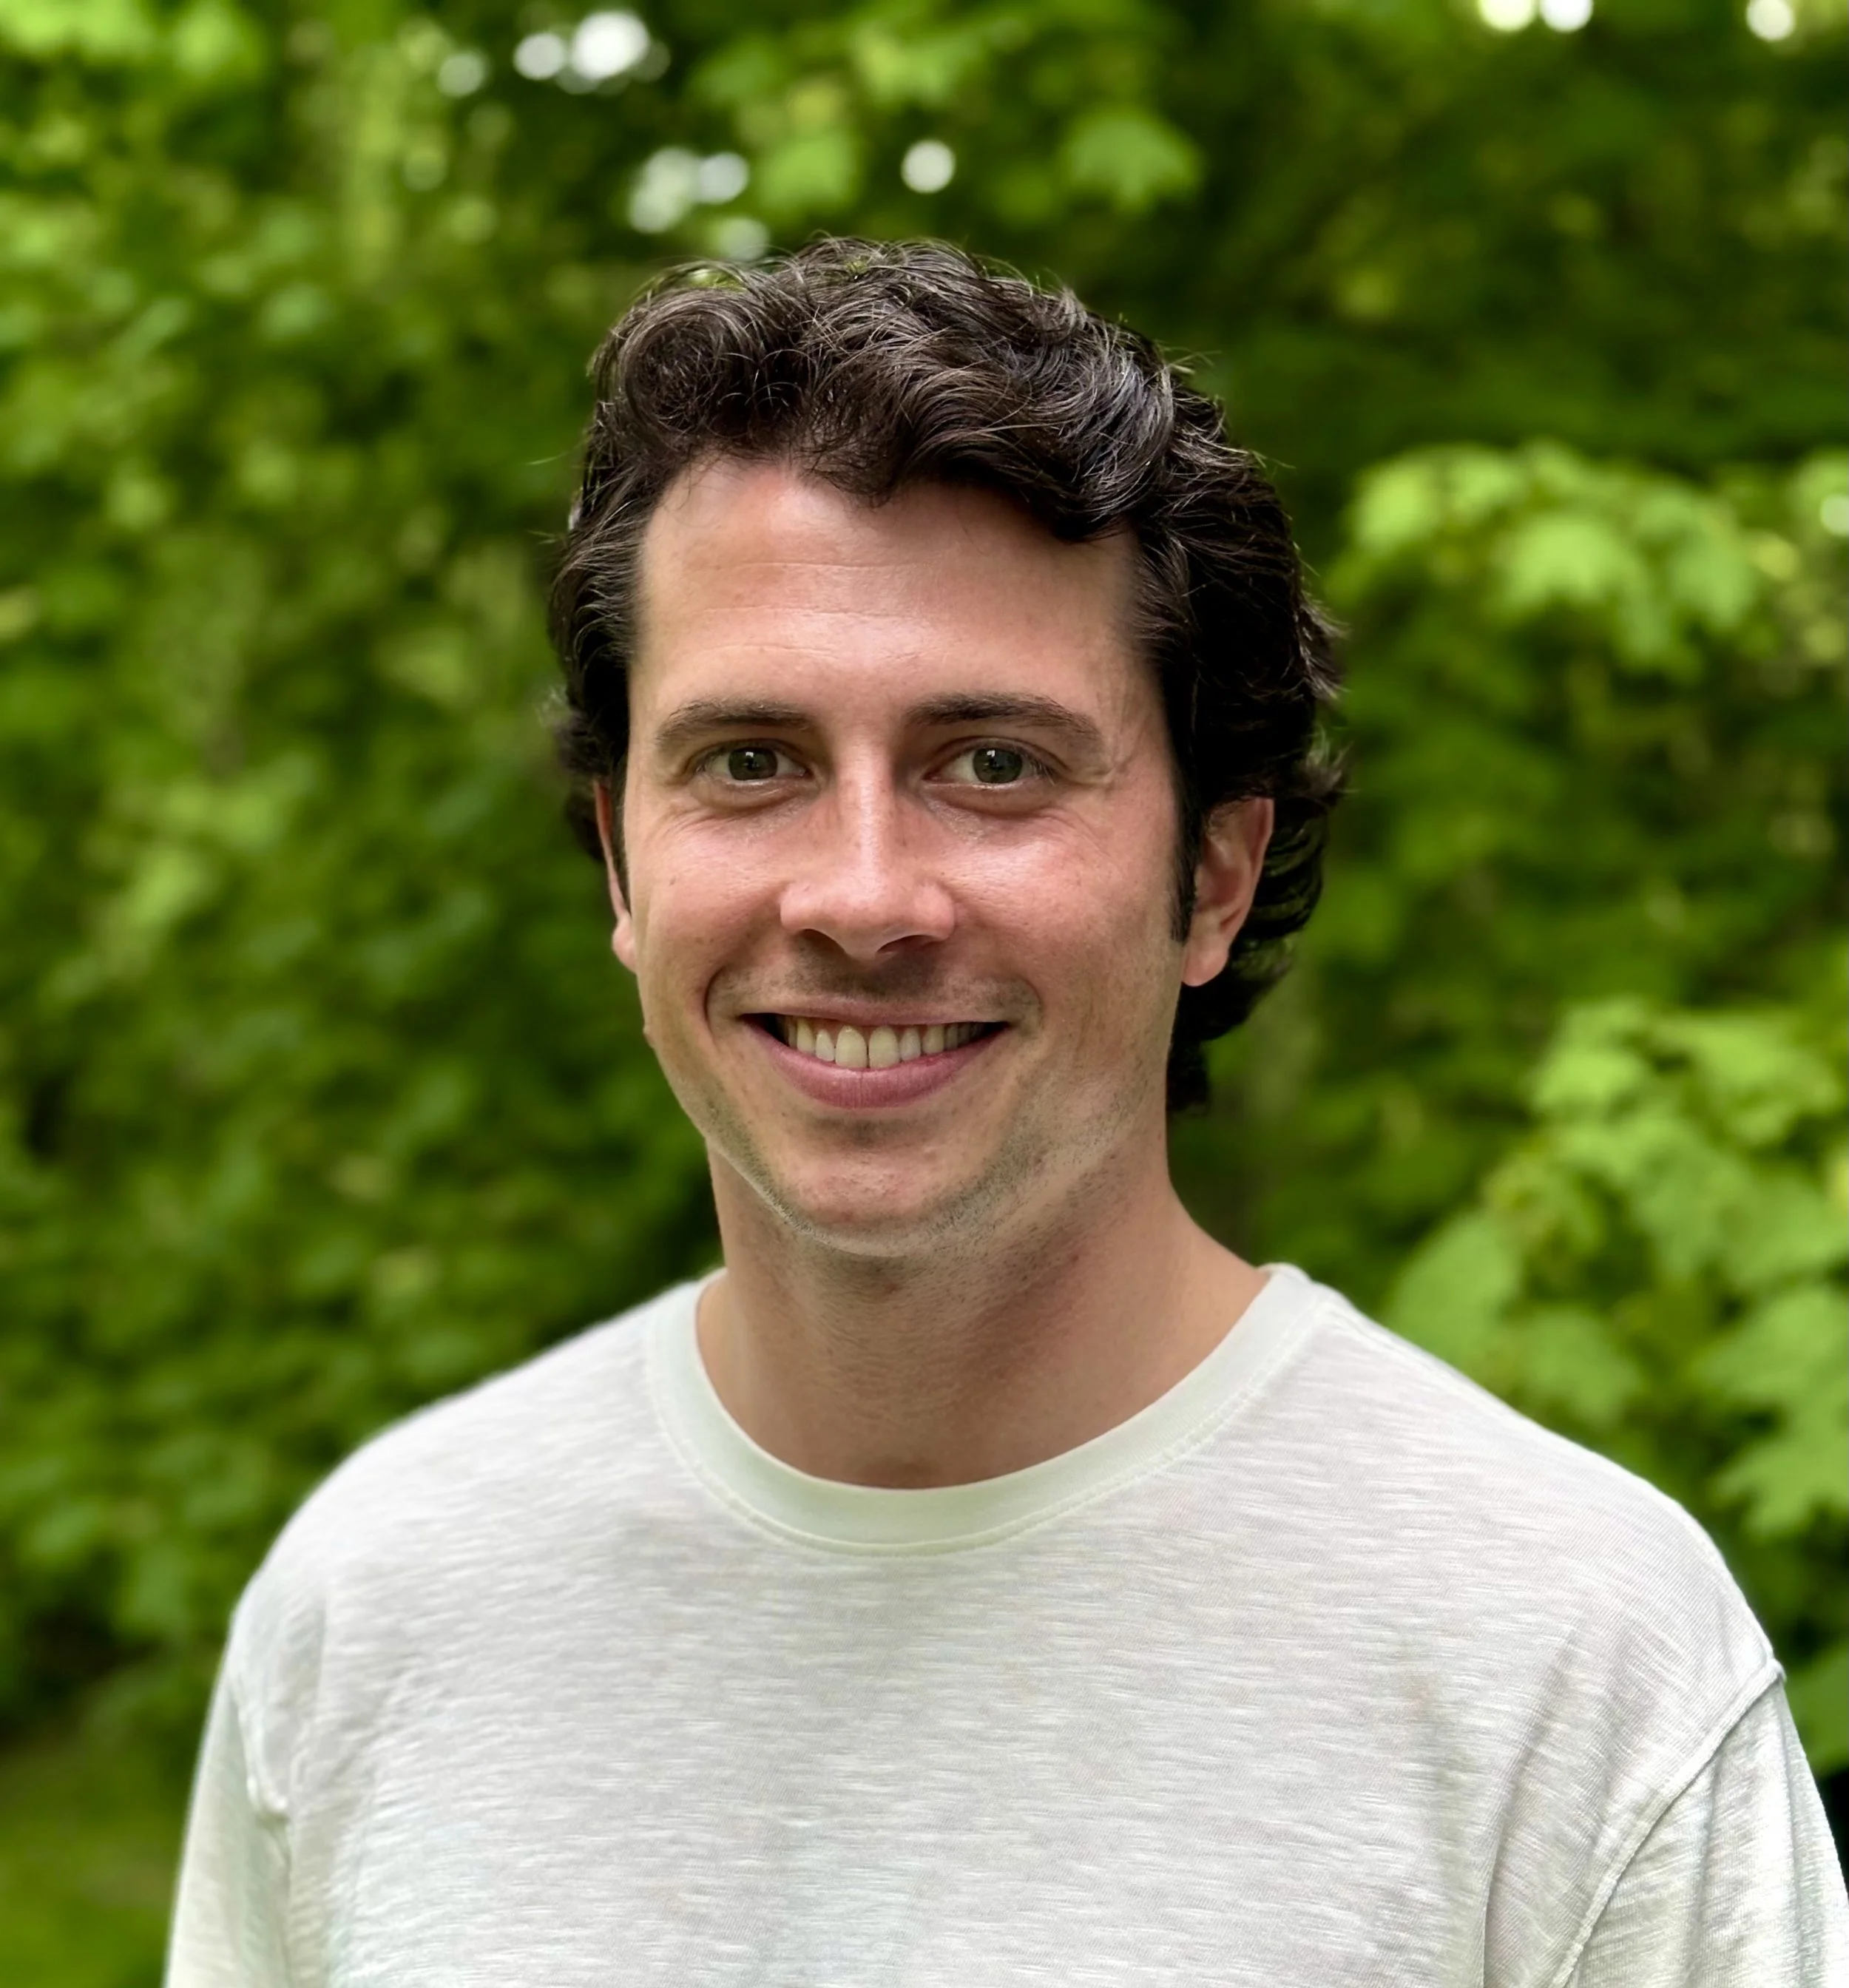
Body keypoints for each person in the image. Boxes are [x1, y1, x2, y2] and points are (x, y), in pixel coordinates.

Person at [166, 238, 1846, 1985]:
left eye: (994, 765)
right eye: (751, 762)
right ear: (617, 860)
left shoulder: (1572, 1663)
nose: (864, 897)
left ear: (1210, 875)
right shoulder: (372, 1609)